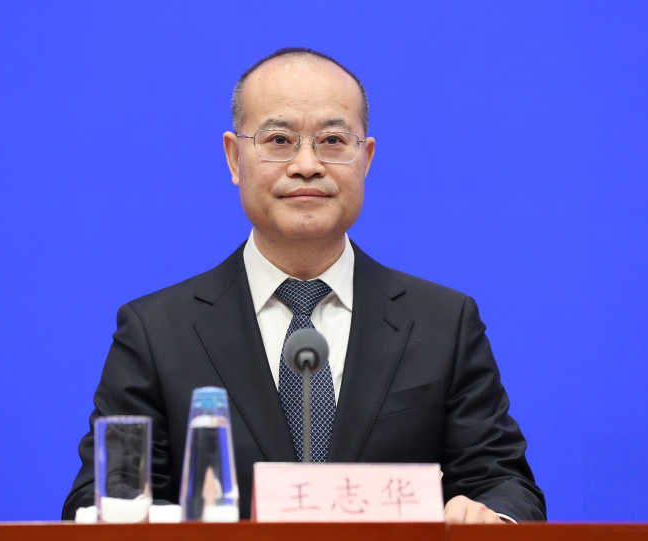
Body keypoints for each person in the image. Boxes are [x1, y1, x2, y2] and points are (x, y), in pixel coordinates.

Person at [63, 48, 546, 524]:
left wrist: (491, 519)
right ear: (234, 158)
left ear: (366, 158)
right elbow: (104, 498)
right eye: (279, 140)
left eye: (333, 141)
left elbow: (503, 482)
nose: (307, 164)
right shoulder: (155, 332)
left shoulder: (444, 323)